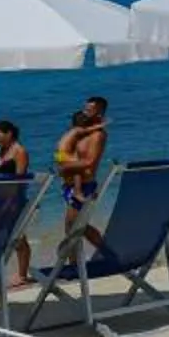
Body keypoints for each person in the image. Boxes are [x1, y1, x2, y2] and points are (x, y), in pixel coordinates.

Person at [52, 95, 109, 256]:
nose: (85, 112)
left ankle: (104, 255)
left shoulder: (97, 135)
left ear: (99, 113)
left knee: (74, 227)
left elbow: (89, 162)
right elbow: (64, 153)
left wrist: (63, 168)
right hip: (70, 185)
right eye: (85, 108)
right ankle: (105, 255)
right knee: (76, 227)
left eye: (89, 110)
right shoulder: (82, 132)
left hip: (84, 186)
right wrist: (61, 161)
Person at [0, 119, 36, 286]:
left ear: (9, 134)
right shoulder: (2, 151)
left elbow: (19, 180)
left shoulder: (19, 152)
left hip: (13, 201)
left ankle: (22, 275)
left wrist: (10, 203)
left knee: (18, 239)